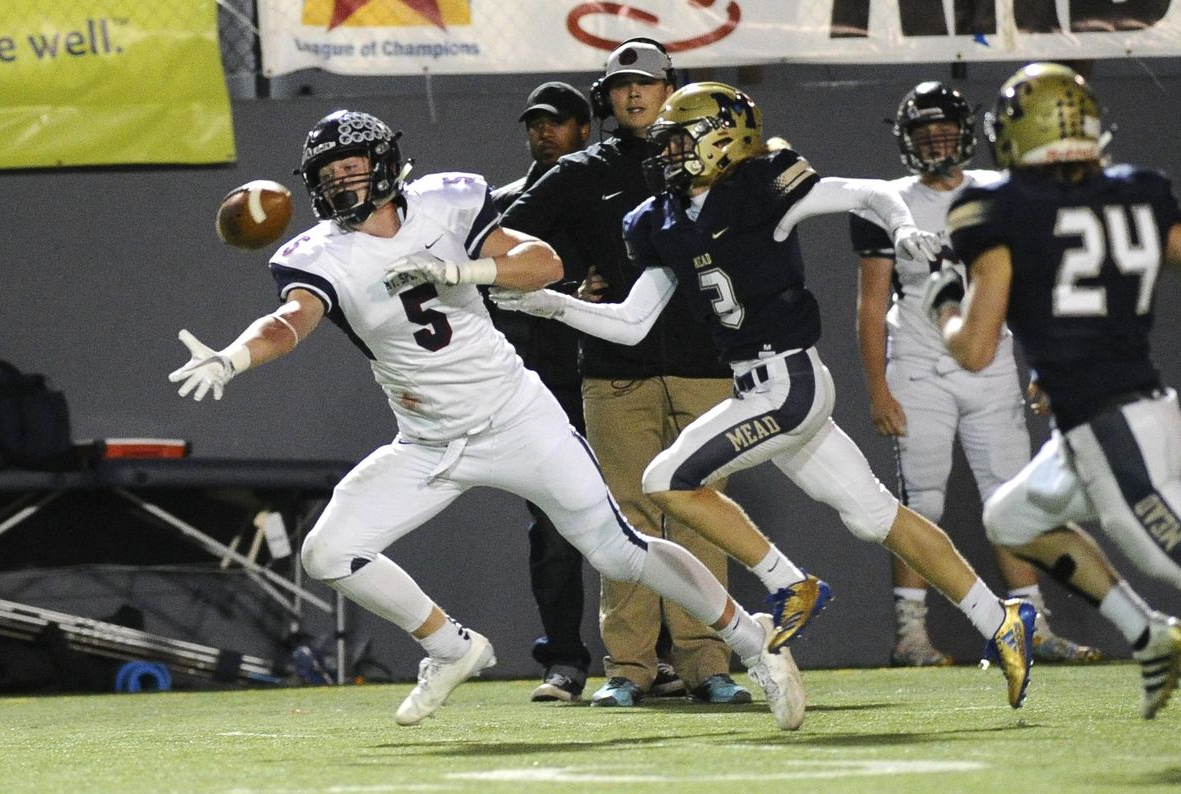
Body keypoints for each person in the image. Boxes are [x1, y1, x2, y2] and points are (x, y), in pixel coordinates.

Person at [167, 108, 806, 729]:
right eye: (328, 175)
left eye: (351, 167)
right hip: (427, 440)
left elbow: (545, 264)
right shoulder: (318, 255)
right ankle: (449, 647)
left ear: (385, 163)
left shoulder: (447, 202)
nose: (341, 183)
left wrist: (464, 269)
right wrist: (232, 357)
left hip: (516, 417)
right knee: (329, 553)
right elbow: (290, 321)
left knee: (621, 553)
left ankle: (755, 645)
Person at [493, 81, 1037, 709]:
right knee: (874, 515)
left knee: (667, 480)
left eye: (680, 138)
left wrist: (907, 225)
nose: (667, 152)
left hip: (789, 384)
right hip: (762, 387)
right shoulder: (662, 220)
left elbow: (867, 192)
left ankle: (789, 584)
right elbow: (631, 322)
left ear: (722, 139)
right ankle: (1000, 619)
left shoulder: (761, 186)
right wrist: (551, 304)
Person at [927, 62, 1181, 719]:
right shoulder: (1140, 188)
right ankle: (1150, 635)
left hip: (1109, 422)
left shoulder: (997, 207)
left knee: (1172, 558)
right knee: (1012, 519)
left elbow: (975, 347)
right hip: (1112, 410)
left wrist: (943, 302)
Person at [502, 40, 746, 707]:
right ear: (604, 99)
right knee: (627, 523)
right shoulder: (584, 171)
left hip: (705, 367)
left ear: (673, 88)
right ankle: (629, 669)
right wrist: (566, 279)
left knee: (702, 515)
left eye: (647, 83)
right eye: (622, 86)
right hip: (615, 372)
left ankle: (705, 664)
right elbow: (500, 238)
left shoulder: (720, 159)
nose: (635, 95)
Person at [850, 81, 1099, 667]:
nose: (936, 143)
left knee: (1014, 497)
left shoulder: (1000, 193)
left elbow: (1034, 290)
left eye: (945, 132)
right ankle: (911, 635)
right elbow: (870, 302)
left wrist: (1044, 361)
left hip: (990, 361)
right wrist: (878, 387)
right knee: (921, 503)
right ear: (905, 140)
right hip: (917, 363)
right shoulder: (886, 202)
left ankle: (1030, 626)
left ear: (968, 135)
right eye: (924, 133)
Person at [489, 80, 594, 702]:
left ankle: (657, 658)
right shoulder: (500, 209)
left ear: (585, 127)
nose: (543, 132)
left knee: (638, 517)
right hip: (536, 392)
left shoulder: (604, 197)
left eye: (557, 122)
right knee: (555, 529)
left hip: (611, 378)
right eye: (535, 123)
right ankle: (564, 662)